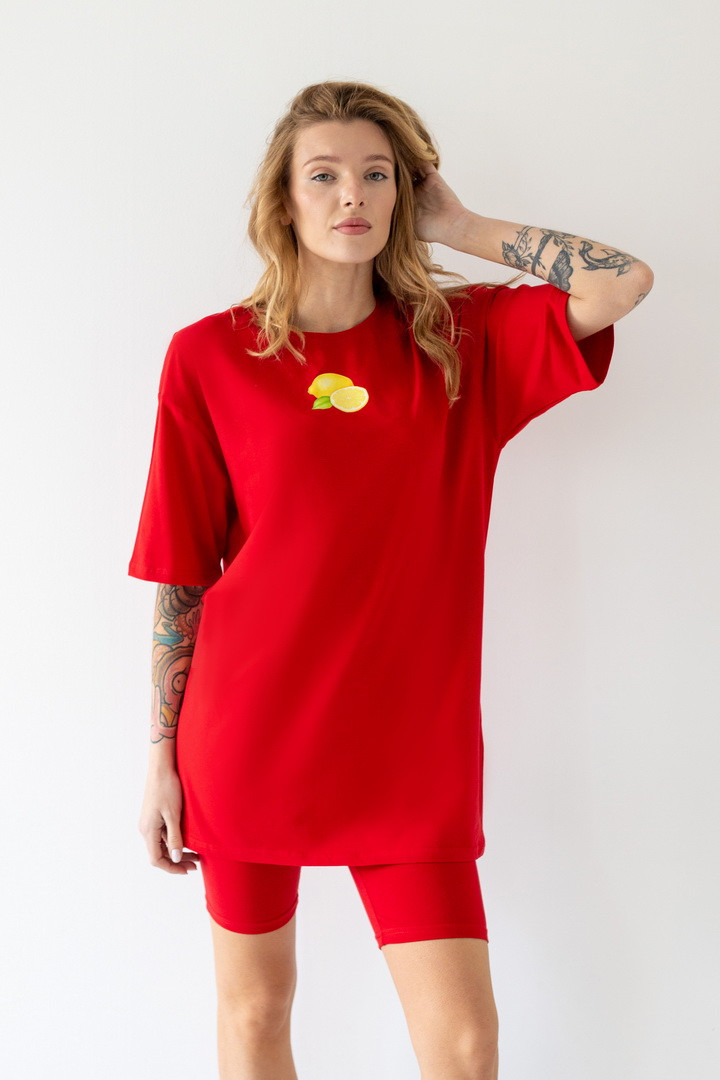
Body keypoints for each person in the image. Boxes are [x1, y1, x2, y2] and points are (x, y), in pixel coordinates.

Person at [129, 80, 653, 1080]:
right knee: (256, 1013)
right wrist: (160, 755)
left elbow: (622, 282)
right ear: (283, 199)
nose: (352, 197)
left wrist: (460, 225)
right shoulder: (209, 358)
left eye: (377, 176)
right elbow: (183, 573)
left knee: (463, 1044)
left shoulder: (460, 342)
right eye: (323, 176)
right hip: (247, 734)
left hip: (411, 752)